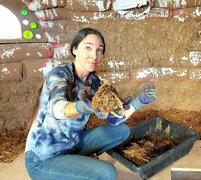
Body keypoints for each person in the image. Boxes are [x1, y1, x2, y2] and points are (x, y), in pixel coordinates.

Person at [25, 28, 157, 179]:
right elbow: (58, 109)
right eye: (88, 48)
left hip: (72, 145)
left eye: (99, 50)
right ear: (75, 49)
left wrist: (139, 101)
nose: (94, 55)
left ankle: (75, 164)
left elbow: (116, 118)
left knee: (122, 131)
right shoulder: (60, 74)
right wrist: (83, 106)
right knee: (107, 172)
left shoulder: (95, 83)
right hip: (43, 157)